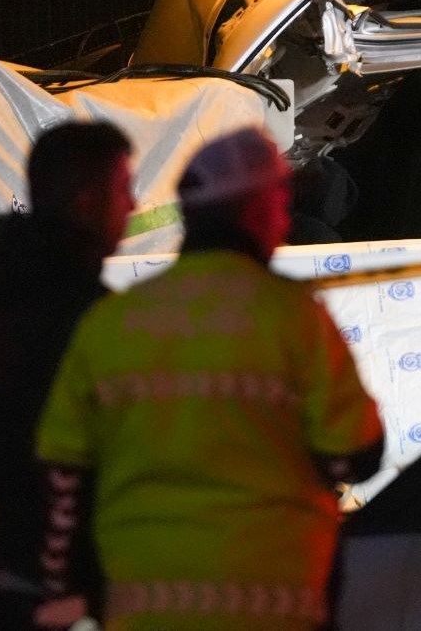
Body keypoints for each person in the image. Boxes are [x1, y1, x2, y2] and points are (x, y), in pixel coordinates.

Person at [32, 126, 385, 631]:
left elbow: (62, 474)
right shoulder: (293, 318)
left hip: (145, 602)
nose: (285, 217)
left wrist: (73, 589)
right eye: (281, 201)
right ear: (257, 209)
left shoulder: (110, 323)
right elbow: (359, 453)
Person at [0, 120, 136, 631]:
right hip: (55, 584)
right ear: (83, 199)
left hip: (8, 563)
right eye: (123, 188)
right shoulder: (70, 308)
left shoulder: (2, 280)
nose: (134, 206)